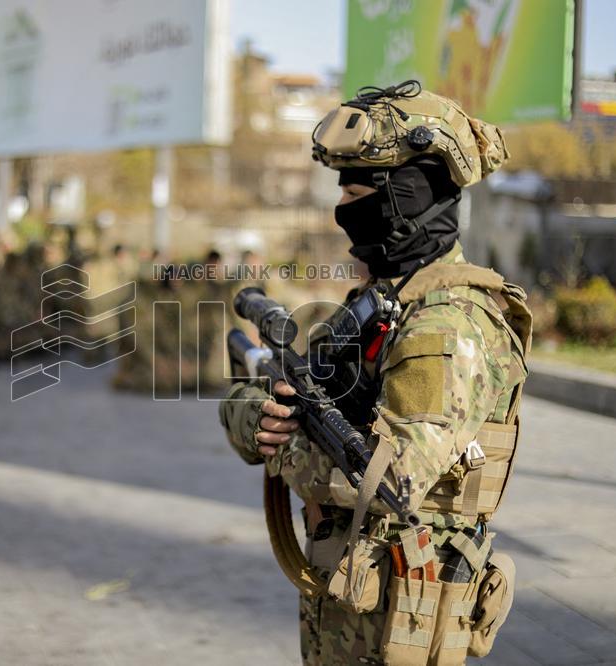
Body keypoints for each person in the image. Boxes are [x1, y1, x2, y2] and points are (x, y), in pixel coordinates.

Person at [219, 81, 531, 665]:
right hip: (348, 600)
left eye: (357, 189)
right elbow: (275, 396)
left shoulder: (448, 325)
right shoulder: (377, 305)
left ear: (406, 198)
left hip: (397, 618)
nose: (343, 209)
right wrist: (252, 415)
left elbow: (390, 482)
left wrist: (279, 449)